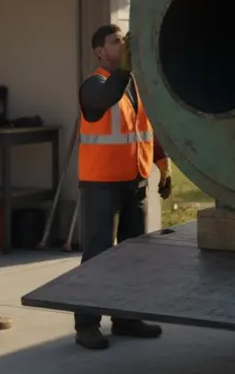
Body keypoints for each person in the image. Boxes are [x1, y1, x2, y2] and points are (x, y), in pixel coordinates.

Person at [74, 23, 174, 350]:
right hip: (101, 185)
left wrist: (162, 164)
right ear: (100, 51)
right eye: (115, 41)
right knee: (98, 255)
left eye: (123, 40)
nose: (122, 45)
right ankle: (86, 324)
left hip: (135, 181)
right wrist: (126, 71)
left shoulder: (135, 86)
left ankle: (127, 318)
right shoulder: (94, 85)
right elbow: (107, 97)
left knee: (134, 255)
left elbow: (146, 128)